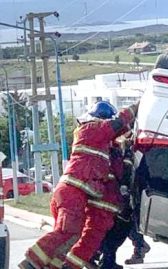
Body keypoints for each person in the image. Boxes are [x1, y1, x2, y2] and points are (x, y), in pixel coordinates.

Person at [21, 101, 138, 269]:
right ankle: (31, 263)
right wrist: (135, 108)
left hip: (81, 194)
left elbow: (120, 132)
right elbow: (117, 124)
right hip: (72, 191)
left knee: (74, 236)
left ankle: (58, 266)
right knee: (67, 231)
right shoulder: (92, 130)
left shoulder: (103, 143)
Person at [98, 135, 150, 269]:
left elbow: (124, 173)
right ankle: (137, 246)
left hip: (123, 195)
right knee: (120, 226)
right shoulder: (120, 150)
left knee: (120, 226)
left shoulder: (120, 151)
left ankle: (137, 246)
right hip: (122, 195)